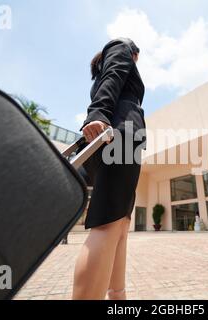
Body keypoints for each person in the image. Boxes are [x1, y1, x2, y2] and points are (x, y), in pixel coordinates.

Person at [72, 38, 146, 300]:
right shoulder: (120, 46)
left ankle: (118, 297)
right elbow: (113, 75)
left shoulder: (105, 66)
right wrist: (98, 113)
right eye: (138, 56)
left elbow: (112, 78)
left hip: (115, 137)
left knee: (120, 226)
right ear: (134, 52)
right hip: (118, 136)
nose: (136, 61)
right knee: (108, 225)